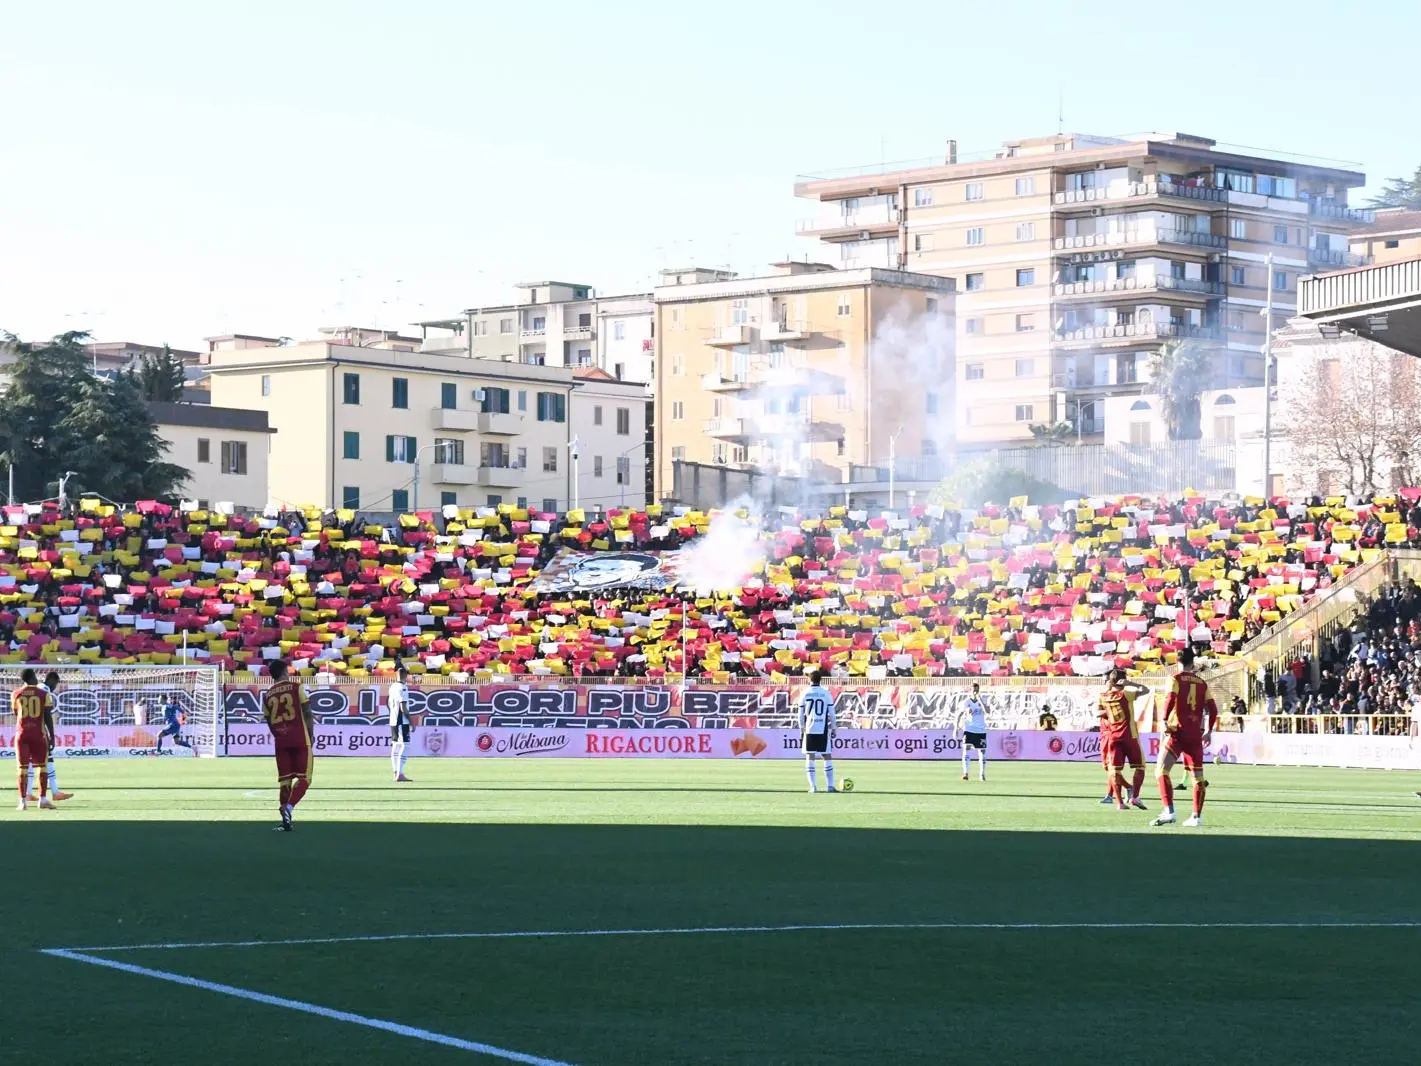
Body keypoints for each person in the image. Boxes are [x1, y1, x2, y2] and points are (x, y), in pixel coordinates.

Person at [1152, 648, 1219, 828]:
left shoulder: (1174, 679)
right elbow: (1213, 710)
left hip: (1177, 731)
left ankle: (1169, 811)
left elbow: (1170, 699)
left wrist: (1164, 720)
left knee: (1161, 771)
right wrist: (1209, 731)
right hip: (1195, 733)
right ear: (1193, 661)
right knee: (1197, 778)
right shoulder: (1202, 683)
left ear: (1178, 660)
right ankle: (1196, 817)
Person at [262, 660, 314, 832]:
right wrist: (311, 734)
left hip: (281, 740)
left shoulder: (267, 694)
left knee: (285, 781)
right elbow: (307, 711)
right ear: (285, 671)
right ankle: (289, 808)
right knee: (304, 778)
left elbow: (269, 720)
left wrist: (277, 734)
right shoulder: (296, 686)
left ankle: (285, 822)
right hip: (299, 737)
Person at [1098, 669, 1148, 811]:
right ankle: (1135, 796)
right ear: (1122, 680)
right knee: (1140, 766)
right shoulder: (1126, 694)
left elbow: (1098, 711)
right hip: (1129, 736)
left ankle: (1119, 803)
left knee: (1114, 770)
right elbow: (1145, 690)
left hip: (1113, 736)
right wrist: (1130, 683)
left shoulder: (1103, 696)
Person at [13, 668, 55, 811]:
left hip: (22, 735)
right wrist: (52, 735)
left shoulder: (16, 694)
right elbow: (48, 716)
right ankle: (42, 799)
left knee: (22, 768)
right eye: (35, 676)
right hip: (38, 734)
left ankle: (22, 802)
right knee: (42, 767)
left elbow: (16, 713)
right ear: (31, 677)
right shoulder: (43, 694)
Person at [799, 669, 836, 793]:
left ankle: (813, 787)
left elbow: (800, 713)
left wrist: (801, 727)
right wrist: (834, 727)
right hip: (823, 728)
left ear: (809, 679)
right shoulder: (825, 693)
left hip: (809, 728)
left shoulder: (805, 693)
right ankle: (830, 786)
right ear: (821, 680)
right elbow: (831, 712)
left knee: (810, 756)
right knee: (827, 755)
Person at [388, 664, 413, 783]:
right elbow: (403, 707)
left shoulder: (392, 686)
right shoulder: (403, 687)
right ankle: (400, 773)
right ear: (405, 675)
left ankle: (395, 772)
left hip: (392, 719)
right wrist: (412, 721)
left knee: (396, 745)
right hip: (401, 720)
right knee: (405, 745)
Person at [959, 682, 988, 782]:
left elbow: (987, 711)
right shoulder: (966, 702)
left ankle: (982, 774)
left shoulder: (983, 700)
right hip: (969, 729)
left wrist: (981, 701)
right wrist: (956, 728)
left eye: (977, 689)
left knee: (982, 751)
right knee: (966, 749)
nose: (975, 691)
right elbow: (962, 713)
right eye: (974, 690)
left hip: (980, 730)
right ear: (970, 690)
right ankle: (966, 773)